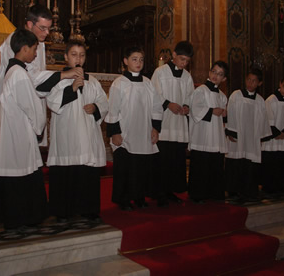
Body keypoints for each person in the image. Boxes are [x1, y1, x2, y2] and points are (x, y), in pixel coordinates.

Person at [0, 5, 82, 193]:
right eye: (42, 28)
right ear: (30, 24)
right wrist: (63, 75)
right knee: (9, 156)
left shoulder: (39, 44)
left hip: (24, 104)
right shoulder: (15, 41)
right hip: (13, 106)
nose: (46, 33)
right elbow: (30, 76)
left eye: (49, 29)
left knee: (22, 157)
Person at [0, 28, 48, 230]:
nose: (36, 54)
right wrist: (39, 127)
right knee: (22, 172)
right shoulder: (19, 74)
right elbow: (31, 106)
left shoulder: (12, 71)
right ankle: (23, 217)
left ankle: (16, 217)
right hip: (20, 133)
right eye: (33, 49)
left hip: (15, 131)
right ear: (24, 49)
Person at [46, 41, 108, 222]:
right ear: (66, 57)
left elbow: (104, 102)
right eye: (74, 54)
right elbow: (52, 102)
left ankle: (88, 208)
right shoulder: (58, 79)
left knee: (87, 172)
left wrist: (96, 107)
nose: (78, 59)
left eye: (81, 55)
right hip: (67, 134)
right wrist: (72, 89)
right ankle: (63, 210)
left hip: (87, 135)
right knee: (67, 171)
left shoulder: (92, 80)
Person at [105, 47, 163, 211]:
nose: (138, 63)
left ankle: (139, 196)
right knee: (125, 168)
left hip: (144, 131)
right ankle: (123, 199)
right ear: (125, 61)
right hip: (125, 133)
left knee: (141, 167)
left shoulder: (148, 83)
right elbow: (113, 109)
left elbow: (156, 107)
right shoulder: (119, 83)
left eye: (141, 59)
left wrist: (155, 128)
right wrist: (115, 132)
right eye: (134, 59)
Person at [151, 41, 194, 206]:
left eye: (187, 61)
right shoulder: (160, 72)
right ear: (174, 55)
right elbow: (154, 94)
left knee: (175, 161)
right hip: (165, 123)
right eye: (182, 59)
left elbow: (190, 96)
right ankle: (159, 193)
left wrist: (186, 106)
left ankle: (170, 191)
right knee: (162, 160)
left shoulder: (187, 76)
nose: (184, 63)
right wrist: (168, 104)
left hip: (179, 123)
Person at [225, 68, 271, 202]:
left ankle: (249, 190)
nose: (250, 83)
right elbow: (231, 112)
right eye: (249, 80)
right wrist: (231, 131)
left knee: (250, 164)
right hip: (238, 135)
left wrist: (261, 137)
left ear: (259, 83)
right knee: (236, 161)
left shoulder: (260, 100)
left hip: (252, 137)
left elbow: (263, 119)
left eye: (254, 81)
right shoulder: (236, 95)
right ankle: (233, 190)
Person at [188, 61, 228, 203]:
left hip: (216, 135)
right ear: (209, 72)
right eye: (214, 72)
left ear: (224, 79)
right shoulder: (200, 91)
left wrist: (224, 114)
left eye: (220, 74)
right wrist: (212, 111)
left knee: (215, 165)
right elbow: (195, 110)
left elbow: (224, 115)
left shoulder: (222, 96)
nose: (216, 76)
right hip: (202, 135)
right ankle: (198, 194)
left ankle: (214, 193)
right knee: (201, 165)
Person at [261, 75, 284, 196]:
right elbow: (268, 118)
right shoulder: (270, 100)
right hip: (271, 139)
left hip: (282, 139)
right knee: (270, 163)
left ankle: (280, 186)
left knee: (281, 162)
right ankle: (268, 187)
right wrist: (276, 133)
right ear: (280, 85)